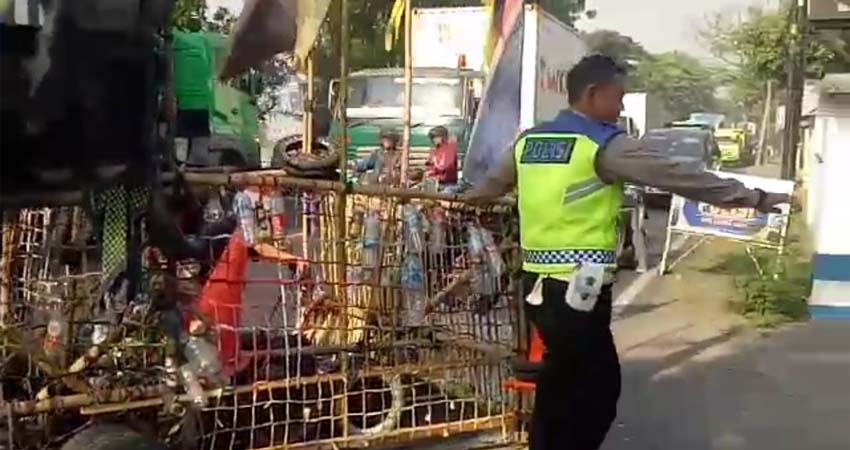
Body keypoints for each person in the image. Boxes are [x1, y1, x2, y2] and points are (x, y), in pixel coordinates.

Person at [464, 54, 789, 450]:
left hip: (537, 286)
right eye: (617, 98)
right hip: (578, 292)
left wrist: (461, 199)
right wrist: (753, 197)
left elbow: (489, 187)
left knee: (561, 381)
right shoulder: (603, 145)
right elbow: (681, 177)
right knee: (598, 391)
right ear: (592, 93)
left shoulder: (530, 141)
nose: (620, 109)